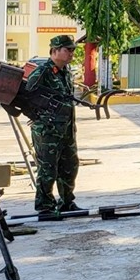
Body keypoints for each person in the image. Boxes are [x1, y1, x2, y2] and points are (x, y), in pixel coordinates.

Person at [26, 34, 80, 213]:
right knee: (48, 168)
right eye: (68, 50)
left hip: (66, 129)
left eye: (72, 50)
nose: (71, 53)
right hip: (47, 131)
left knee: (70, 167)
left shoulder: (65, 72)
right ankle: (45, 205)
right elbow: (27, 96)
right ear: (55, 51)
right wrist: (40, 116)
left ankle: (66, 202)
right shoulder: (42, 72)